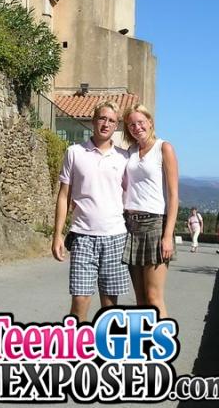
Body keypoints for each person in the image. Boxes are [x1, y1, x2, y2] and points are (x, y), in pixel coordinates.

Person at [52, 102, 130, 322]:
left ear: (116, 125)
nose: (106, 124)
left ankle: (106, 343)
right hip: (82, 236)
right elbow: (64, 196)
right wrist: (57, 234)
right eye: (102, 118)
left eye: (111, 120)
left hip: (115, 237)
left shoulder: (124, 157)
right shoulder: (74, 153)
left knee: (110, 306)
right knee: (79, 301)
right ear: (94, 121)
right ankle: (78, 342)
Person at [122, 103, 179, 318]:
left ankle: (163, 338)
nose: (137, 128)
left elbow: (173, 195)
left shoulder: (164, 148)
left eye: (140, 122)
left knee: (154, 297)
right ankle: (144, 337)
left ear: (150, 122)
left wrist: (168, 235)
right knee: (140, 299)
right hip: (131, 226)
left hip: (155, 224)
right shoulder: (130, 152)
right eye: (131, 125)